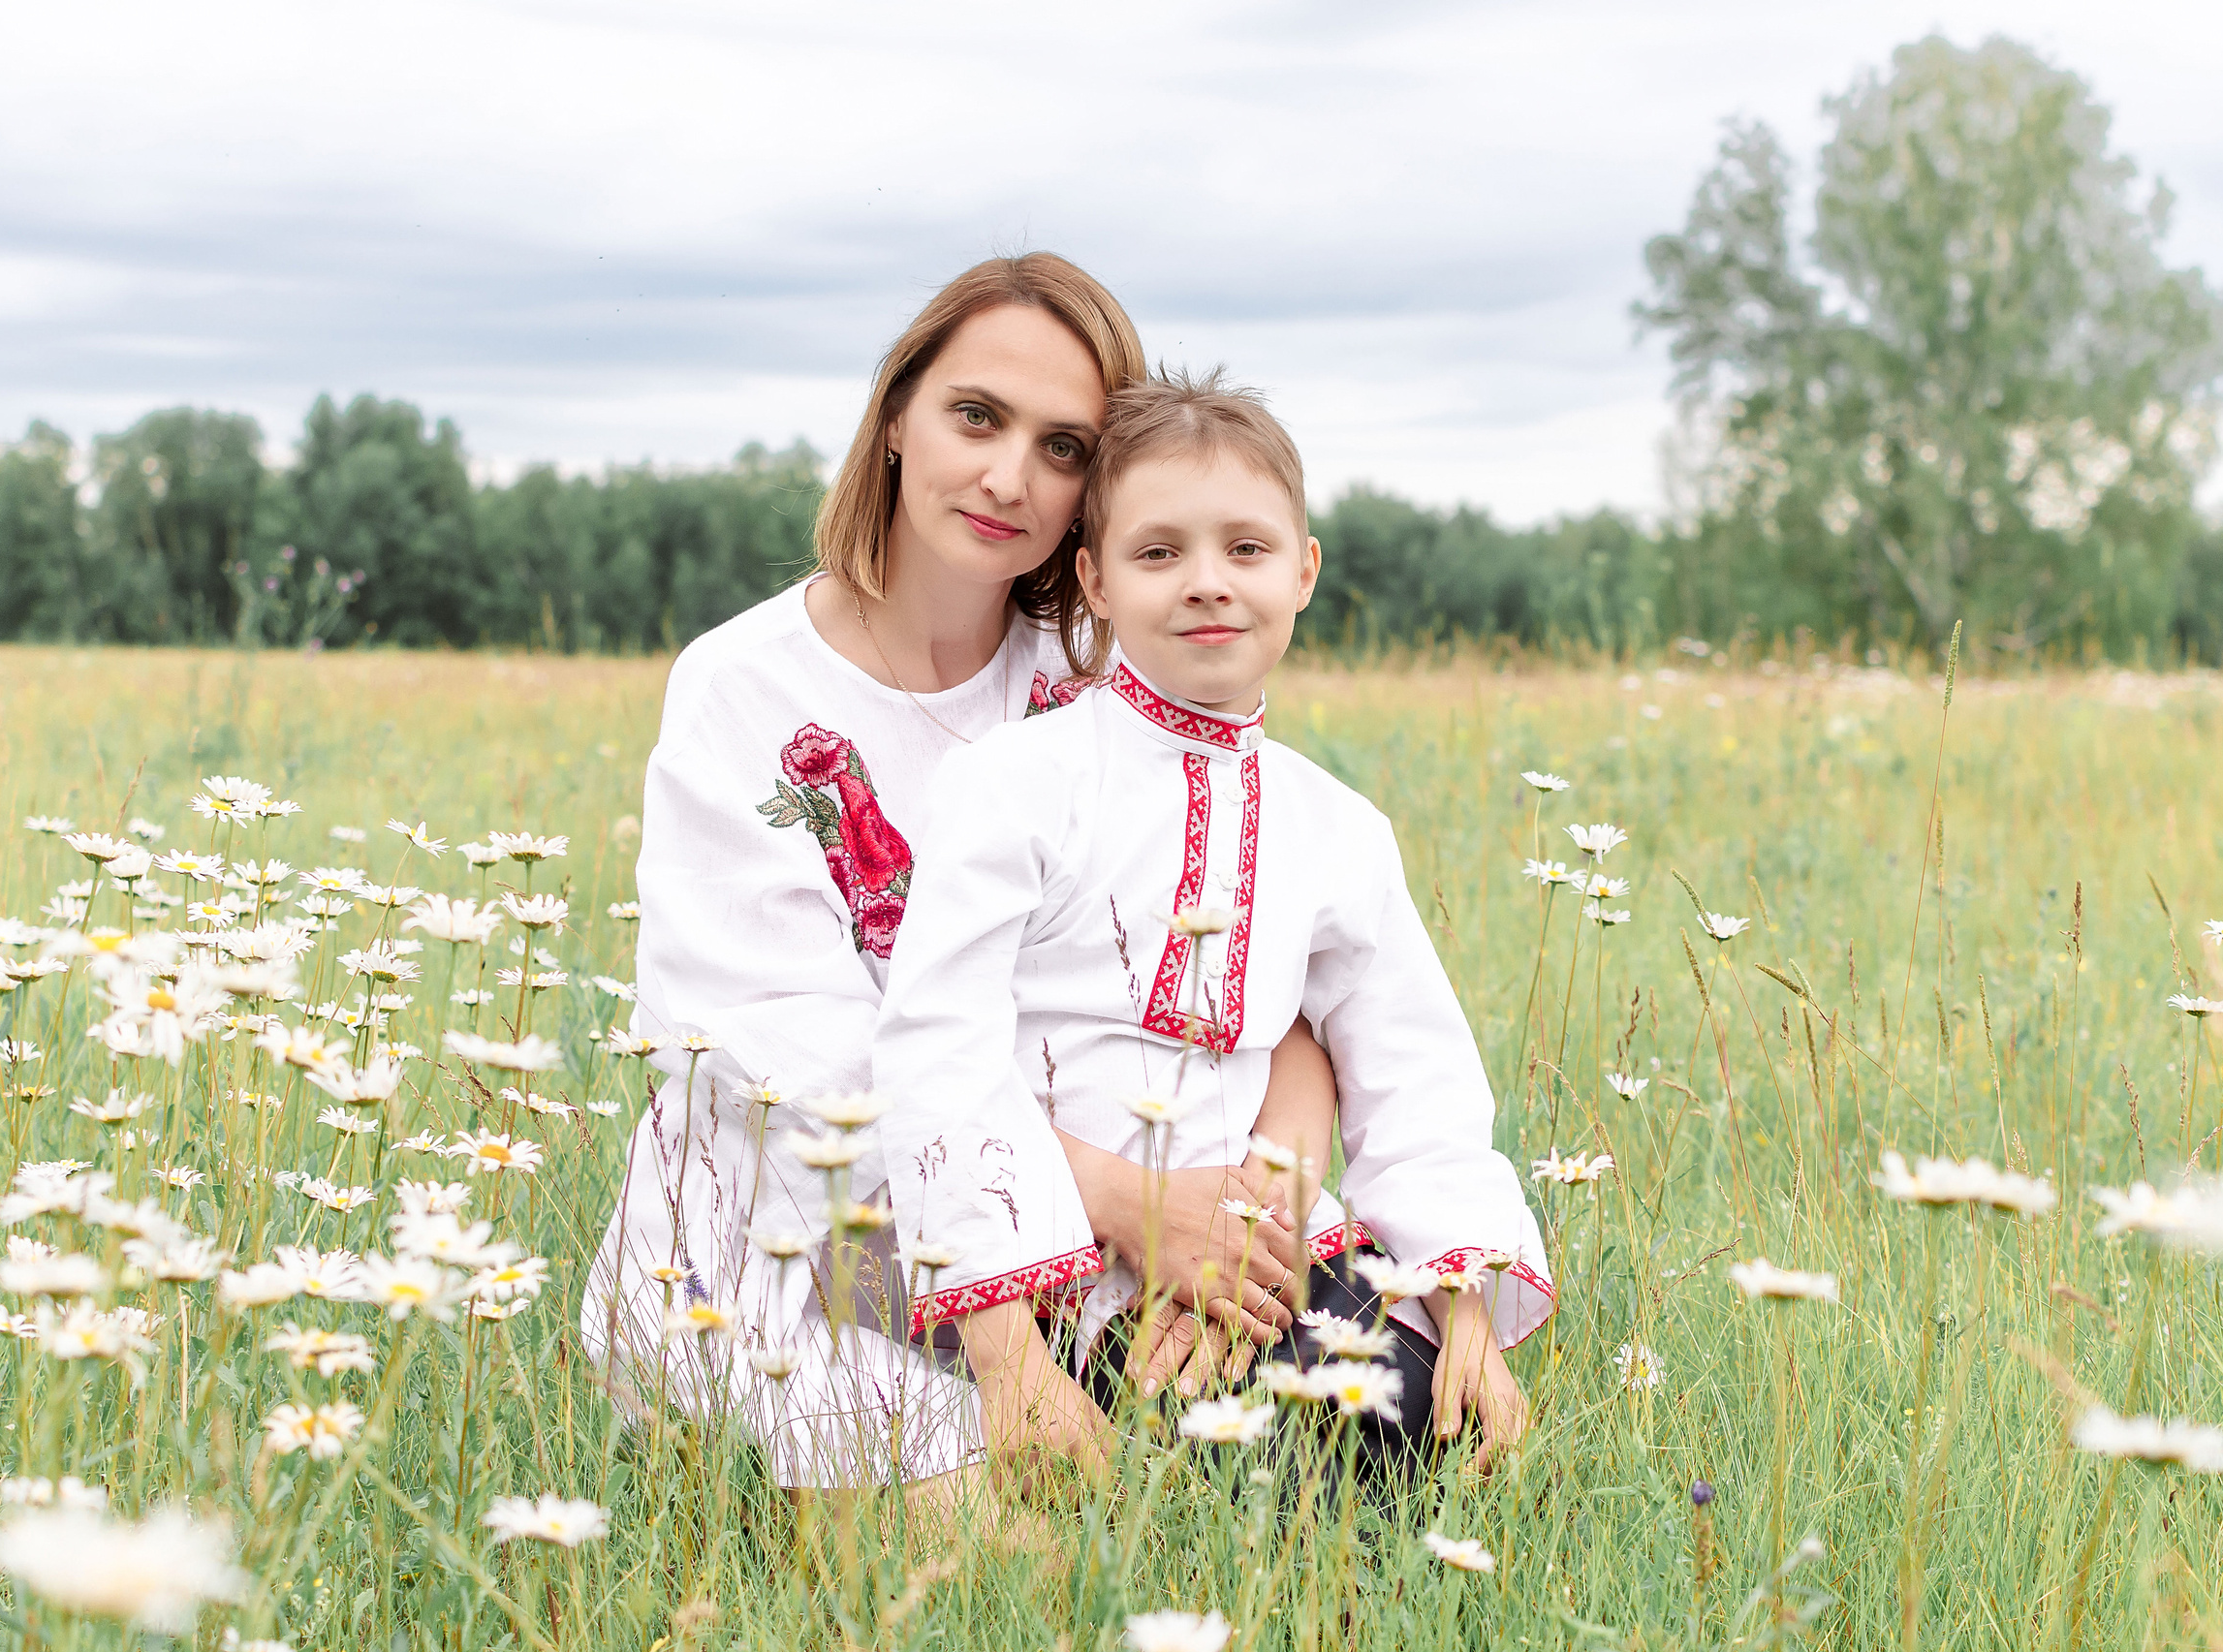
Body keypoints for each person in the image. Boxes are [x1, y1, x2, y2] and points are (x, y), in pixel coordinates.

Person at [579, 255, 1339, 1507]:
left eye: (1063, 448)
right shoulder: (744, 691)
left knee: (1284, 1492)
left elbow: (1276, 978)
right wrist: (1128, 1198)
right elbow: (794, 1079)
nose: (1007, 477)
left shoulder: (1105, 679)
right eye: (976, 417)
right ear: (895, 417)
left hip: (1083, 1255)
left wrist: (1255, 1207)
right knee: (1018, 1559)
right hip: (783, 1257)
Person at [873, 368, 1554, 1486]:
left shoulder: (1336, 826)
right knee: (1245, 1461)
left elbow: (1410, 1062)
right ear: (1090, 579)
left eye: (1245, 549)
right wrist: (1003, 1355)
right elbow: (939, 1050)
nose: (1206, 585)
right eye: (1157, 554)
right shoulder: (1018, 782)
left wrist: (1466, 1307)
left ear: (1304, 569)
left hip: (1270, 1244)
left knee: (1410, 1418)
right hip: (1059, 1254)